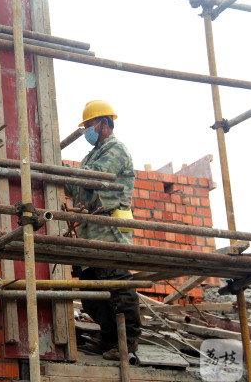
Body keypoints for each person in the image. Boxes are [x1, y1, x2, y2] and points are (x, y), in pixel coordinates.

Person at [64, 100, 141, 360]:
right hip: (89, 232)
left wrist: (67, 172)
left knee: (117, 285)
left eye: (90, 125)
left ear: (105, 123)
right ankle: (109, 338)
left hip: (110, 230)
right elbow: (75, 186)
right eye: (86, 126)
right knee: (92, 292)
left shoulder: (115, 149)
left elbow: (96, 175)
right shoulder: (90, 156)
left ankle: (127, 341)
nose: (87, 130)